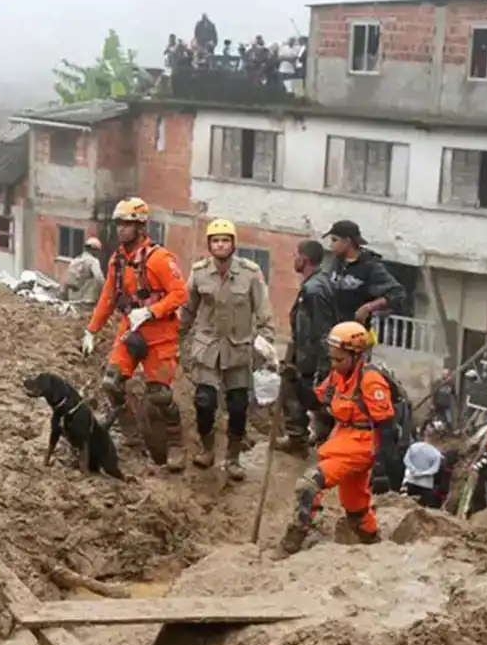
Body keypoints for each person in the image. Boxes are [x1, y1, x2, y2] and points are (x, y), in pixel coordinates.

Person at [80, 198, 189, 471]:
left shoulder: (160, 259)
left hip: (160, 334)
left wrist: (152, 311)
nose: (121, 229)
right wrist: (91, 330)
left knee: (159, 394)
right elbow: (107, 298)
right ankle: (132, 438)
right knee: (111, 383)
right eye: (118, 223)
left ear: (141, 226)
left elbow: (180, 294)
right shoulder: (117, 261)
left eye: (127, 224)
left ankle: (176, 442)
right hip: (130, 330)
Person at [279, 322, 396, 555]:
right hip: (344, 438)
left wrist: (382, 467)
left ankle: (293, 539)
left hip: (362, 444)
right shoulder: (337, 375)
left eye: (339, 359)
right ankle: (373, 545)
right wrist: (295, 383)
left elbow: (387, 424)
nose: (334, 364)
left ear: (356, 355)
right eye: (332, 358)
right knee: (355, 508)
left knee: (309, 483)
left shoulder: (371, 380)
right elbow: (316, 403)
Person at [179, 219, 277, 480]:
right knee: (204, 401)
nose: (220, 245)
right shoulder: (199, 272)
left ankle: (232, 458)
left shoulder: (250, 272)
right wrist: (176, 337)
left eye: (225, 240)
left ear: (233, 244)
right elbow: (188, 309)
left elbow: (263, 310)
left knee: (237, 405)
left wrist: (266, 342)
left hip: (238, 348)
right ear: (209, 245)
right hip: (207, 347)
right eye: (215, 240)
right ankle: (207, 449)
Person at [278, 240, 339, 454]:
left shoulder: (314, 289)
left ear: (304, 259)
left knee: (295, 392)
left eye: (295, 254)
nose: (293, 258)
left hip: (309, 357)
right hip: (306, 353)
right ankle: (319, 436)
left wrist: (322, 366)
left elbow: (321, 330)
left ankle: (299, 439)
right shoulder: (318, 283)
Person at [324, 220, 405, 325]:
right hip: (333, 327)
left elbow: (397, 293)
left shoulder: (370, 266)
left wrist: (368, 308)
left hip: (356, 332)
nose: (331, 245)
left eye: (335, 240)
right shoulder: (337, 262)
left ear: (347, 241)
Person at [60, 236, 104, 307]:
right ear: (95, 250)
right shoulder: (93, 261)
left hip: (71, 300)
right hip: (86, 301)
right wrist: (103, 294)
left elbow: (66, 280)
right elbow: (99, 279)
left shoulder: (76, 260)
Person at [401, 436, 444, 508]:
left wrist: (413, 470)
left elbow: (406, 460)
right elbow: (435, 470)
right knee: (422, 508)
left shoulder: (413, 447)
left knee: (406, 504)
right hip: (426, 485)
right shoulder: (437, 454)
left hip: (410, 481)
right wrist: (423, 474)